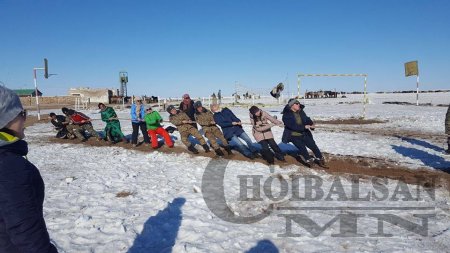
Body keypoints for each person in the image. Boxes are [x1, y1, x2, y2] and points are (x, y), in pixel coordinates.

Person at [0, 86, 58, 252]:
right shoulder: (9, 166)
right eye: (22, 114)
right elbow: (26, 232)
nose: (25, 119)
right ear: (6, 118)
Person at [281, 99, 326, 167]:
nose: (298, 104)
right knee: (302, 148)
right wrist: (304, 127)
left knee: (313, 146)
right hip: (294, 135)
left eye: (299, 103)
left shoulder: (300, 111)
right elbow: (292, 126)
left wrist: (311, 124)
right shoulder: (286, 115)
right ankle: (308, 160)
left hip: (304, 133)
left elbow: (306, 119)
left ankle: (320, 158)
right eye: (296, 103)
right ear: (291, 105)